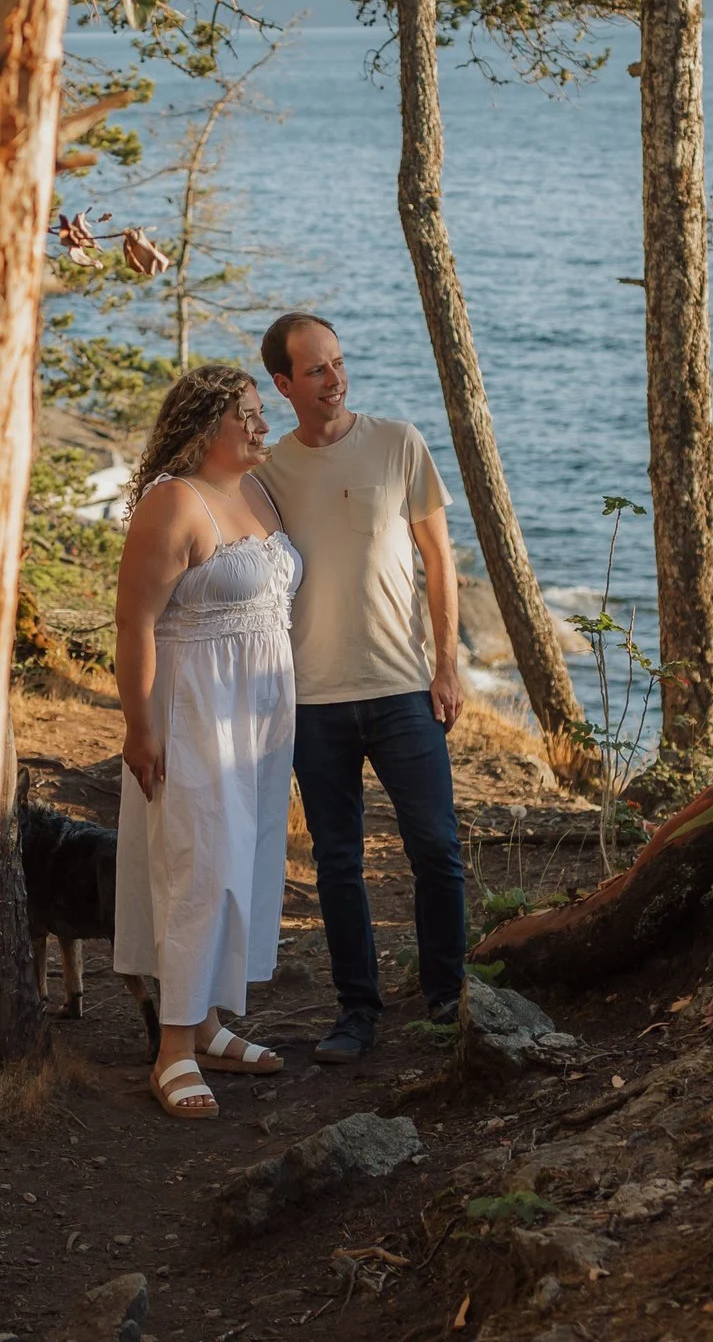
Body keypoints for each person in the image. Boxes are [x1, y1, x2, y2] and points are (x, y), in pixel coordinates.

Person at [253, 311, 469, 1064]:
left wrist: (447, 664)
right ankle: (357, 1011)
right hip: (313, 700)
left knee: (435, 847)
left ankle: (448, 996)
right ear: (284, 384)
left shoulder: (398, 443)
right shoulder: (266, 473)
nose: (335, 380)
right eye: (315, 370)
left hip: (403, 686)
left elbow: (439, 561)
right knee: (337, 861)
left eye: (338, 363)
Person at [113, 363, 302, 1120]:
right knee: (199, 866)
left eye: (260, 411)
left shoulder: (257, 490)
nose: (262, 425)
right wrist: (140, 726)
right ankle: (172, 1049)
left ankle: (210, 1023)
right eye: (245, 416)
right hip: (195, 707)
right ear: (201, 430)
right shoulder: (173, 502)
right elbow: (133, 622)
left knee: (245, 860)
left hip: (259, 713)